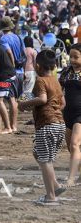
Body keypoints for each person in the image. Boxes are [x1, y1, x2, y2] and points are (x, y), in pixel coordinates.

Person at [19, 50, 67, 205]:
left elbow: (42, 99)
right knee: (39, 154)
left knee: (45, 160)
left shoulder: (40, 81)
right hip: (59, 125)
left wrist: (24, 104)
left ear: (37, 66)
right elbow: (62, 103)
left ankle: (51, 196)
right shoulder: (55, 80)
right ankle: (56, 185)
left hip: (47, 124)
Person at [59, 43, 81, 187]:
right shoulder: (66, 71)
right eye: (71, 56)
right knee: (71, 146)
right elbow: (59, 89)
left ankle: (71, 178)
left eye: (76, 57)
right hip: (67, 113)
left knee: (75, 144)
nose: (72, 60)